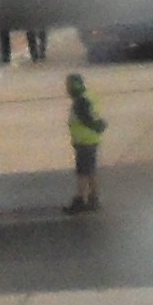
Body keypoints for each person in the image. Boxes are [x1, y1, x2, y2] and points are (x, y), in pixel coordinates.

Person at [66, 73, 107, 214]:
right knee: (90, 170)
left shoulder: (80, 101)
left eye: (68, 85)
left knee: (83, 171)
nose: (67, 89)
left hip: (85, 141)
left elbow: (87, 119)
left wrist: (98, 126)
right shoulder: (88, 97)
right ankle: (94, 197)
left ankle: (80, 199)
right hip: (90, 140)